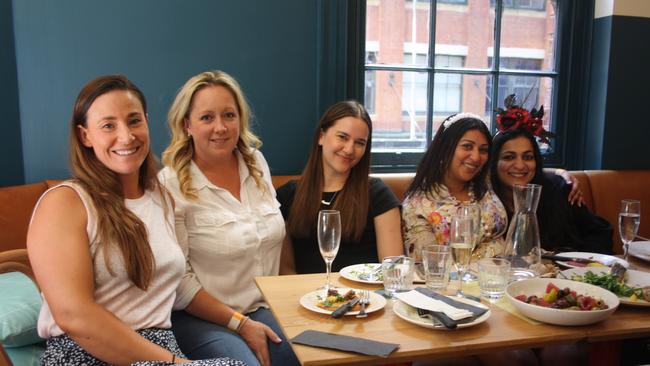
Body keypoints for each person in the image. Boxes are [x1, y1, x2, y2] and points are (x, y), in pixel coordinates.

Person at [26, 75, 242, 365]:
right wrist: (178, 364)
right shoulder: (65, 203)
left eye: (134, 121)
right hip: (87, 353)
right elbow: (74, 316)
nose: (126, 136)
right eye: (108, 126)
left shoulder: (161, 198)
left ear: (147, 122)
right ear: (85, 135)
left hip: (160, 350)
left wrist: (240, 323)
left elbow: (175, 287)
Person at [159, 70, 298, 366]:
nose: (220, 127)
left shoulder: (257, 162)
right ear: (187, 125)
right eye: (207, 118)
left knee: (304, 354)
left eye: (229, 115)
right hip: (201, 318)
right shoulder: (170, 184)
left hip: (262, 307)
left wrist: (292, 297)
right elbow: (178, 281)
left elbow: (278, 233)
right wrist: (239, 324)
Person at [277, 100, 403, 274]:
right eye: (342, 137)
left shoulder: (377, 194)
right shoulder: (287, 195)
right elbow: (286, 270)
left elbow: (393, 271)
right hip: (304, 297)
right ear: (321, 136)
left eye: (360, 143)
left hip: (364, 297)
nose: (350, 149)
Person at [490, 102, 613, 254]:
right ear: (493, 162)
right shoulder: (486, 200)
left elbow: (600, 232)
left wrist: (578, 262)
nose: (520, 165)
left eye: (528, 157)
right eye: (509, 157)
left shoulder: (560, 189)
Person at [402, 113, 508, 263]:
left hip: (494, 281)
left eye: (483, 150)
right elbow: (430, 262)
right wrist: (487, 253)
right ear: (445, 148)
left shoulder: (485, 191)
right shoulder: (419, 203)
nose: (476, 157)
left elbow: (502, 245)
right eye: (467, 146)